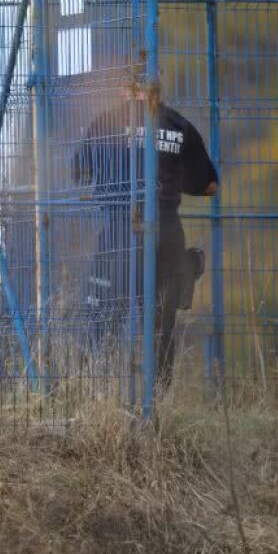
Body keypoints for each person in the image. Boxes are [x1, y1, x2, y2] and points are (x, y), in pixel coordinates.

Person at [74, 92, 218, 389]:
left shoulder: (106, 122)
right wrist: (170, 179)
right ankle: (158, 398)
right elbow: (209, 186)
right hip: (164, 229)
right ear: (157, 85)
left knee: (104, 315)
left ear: (126, 86)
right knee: (161, 321)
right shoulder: (179, 125)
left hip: (118, 229)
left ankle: (100, 389)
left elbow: (79, 172)